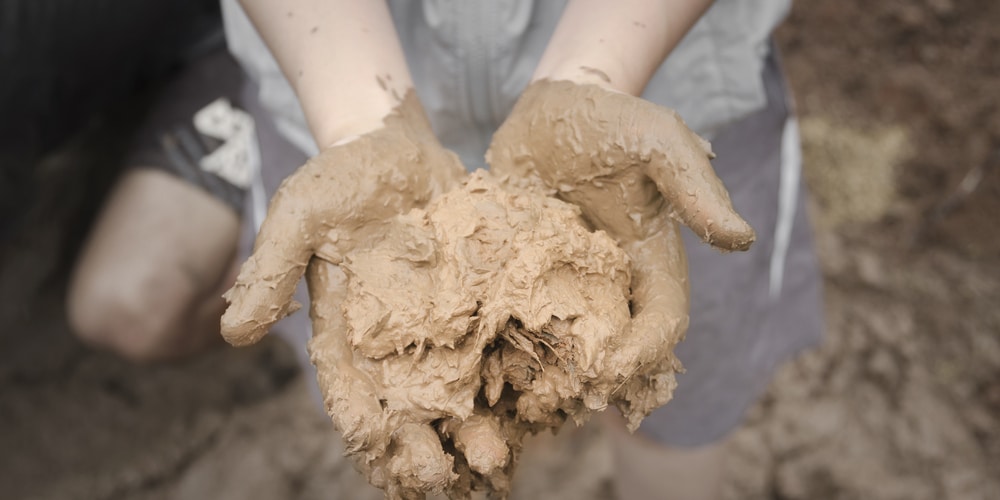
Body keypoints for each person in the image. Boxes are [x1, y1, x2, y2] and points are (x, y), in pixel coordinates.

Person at [72, 1, 823, 498]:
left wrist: (596, 72)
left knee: (672, 390)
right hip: (334, 91)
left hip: (646, 116)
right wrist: (360, 117)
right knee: (410, 418)